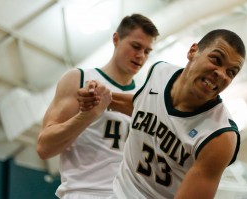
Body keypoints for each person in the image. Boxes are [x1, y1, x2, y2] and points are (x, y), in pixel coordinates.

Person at [78, 29, 246, 199]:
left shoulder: (220, 137)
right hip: (113, 191)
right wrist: (102, 97)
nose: (221, 74)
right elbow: (142, 105)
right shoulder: (160, 72)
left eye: (231, 72)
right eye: (216, 60)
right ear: (193, 51)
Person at [36, 13, 159, 199]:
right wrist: (86, 116)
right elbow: (44, 147)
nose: (140, 56)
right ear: (116, 39)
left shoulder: (145, 98)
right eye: (136, 46)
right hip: (86, 192)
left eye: (147, 51)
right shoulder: (79, 79)